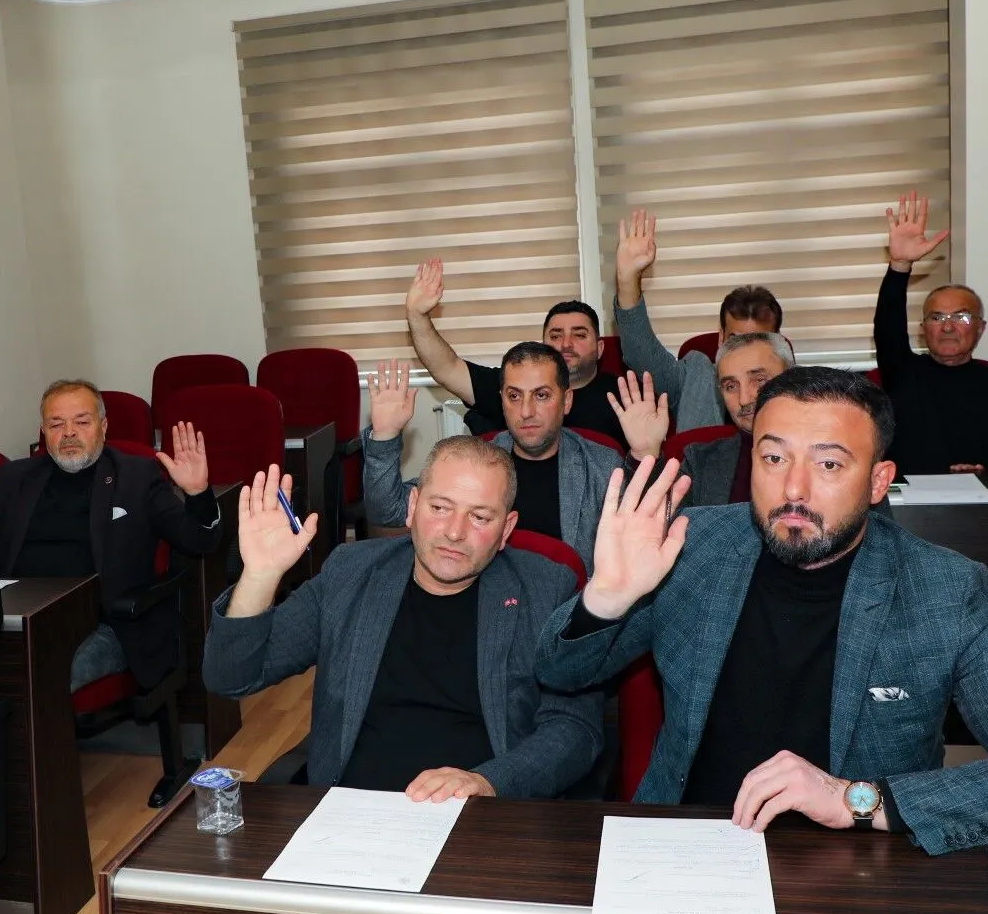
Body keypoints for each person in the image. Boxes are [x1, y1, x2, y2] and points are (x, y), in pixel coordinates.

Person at [536, 367, 988, 855]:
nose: (794, 488)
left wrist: (857, 800)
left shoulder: (944, 590)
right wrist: (606, 599)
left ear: (878, 481)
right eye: (773, 457)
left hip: (856, 861)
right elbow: (560, 673)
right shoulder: (691, 547)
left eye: (829, 465)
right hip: (691, 842)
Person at [206, 448, 600, 800]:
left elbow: (574, 728)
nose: (455, 532)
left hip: (476, 817)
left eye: (480, 517)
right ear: (412, 506)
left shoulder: (545, 590)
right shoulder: (352, 573)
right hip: (351, 813)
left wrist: (489, 781)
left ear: (505, 530)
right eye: (440, 508)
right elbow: (231, 677)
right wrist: (259, 577)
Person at [0, 379, 219, 692]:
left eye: (81, 422)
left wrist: (198, 493)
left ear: (103, 427)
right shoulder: (14, 478)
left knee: (49, 674)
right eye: (56, 424)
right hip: (21, 620)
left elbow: (198, 540)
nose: (68, 433)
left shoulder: (136, 476)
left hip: (103, 623)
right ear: (43, 431)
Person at [362, 344, 660, 574]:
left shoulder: (600, 464)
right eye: (514, 396)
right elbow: (387, 510)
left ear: (566, 400)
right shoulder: (476, 460)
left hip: (569, 611)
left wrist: (646, 455)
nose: (526, 411)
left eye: (541, 395)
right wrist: (385, 436)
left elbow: (654, 533)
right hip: (488, 607)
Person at [872, 191, 988, 474]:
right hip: (915, 497)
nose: (948, 327)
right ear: (923, 329)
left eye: (961, 317)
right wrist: (900, 266)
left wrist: (986, 476)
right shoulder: (903, 373)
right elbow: (887, 329)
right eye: (937, 317)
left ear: (980, 328)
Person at [405, 259, 630, 450]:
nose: (566, 344)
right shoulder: (514, 386)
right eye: (556, 335)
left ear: (600, 348)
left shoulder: (626, 396)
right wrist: (417, 316)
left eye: (579, 335)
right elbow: (447, 368)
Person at [610, 208, 784, 430]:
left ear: (778, 341)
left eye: (757, 340)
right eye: (736, 340)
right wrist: (627, 281)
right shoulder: (696, 376)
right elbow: (641, 354)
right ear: (721, 339)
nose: (745, 352)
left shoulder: (798, 389)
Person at [679, 331, 795, 507]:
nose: (744, 400)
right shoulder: (700, 461)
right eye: (731, 386)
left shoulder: (830, 453)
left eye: (759, 380)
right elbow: (660, 519)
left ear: (792, 379)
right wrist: (645, 452)